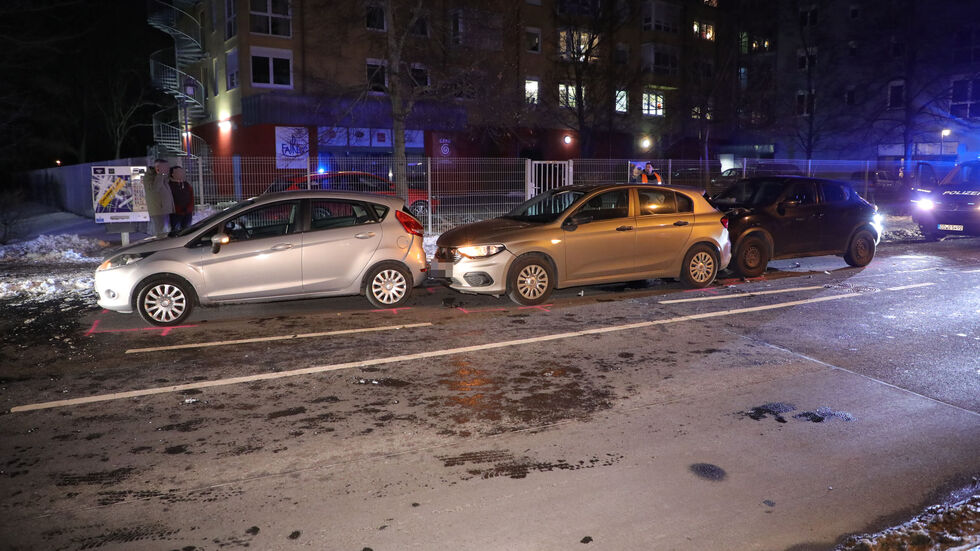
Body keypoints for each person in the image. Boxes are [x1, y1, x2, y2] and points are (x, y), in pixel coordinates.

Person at [143, 158, 174, 237]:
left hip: (166, 208)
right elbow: (155, 188)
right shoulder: (149, 176)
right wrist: (160, 175)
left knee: (167, 231)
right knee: (161, 232)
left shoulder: (163, 176)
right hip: (158, 209)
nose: (167, 169)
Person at [168, 165, 194, 232]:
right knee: (176, 231)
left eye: (181, 172)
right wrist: (178, 209)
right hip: (176, 214)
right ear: (172, 174)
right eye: (178, 172)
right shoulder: (169, 185)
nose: (181, 174)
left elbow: (191, 197)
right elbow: (169, 200)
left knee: (187, 230)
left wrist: (189, 208)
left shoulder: (186, 184)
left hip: (187, 213)